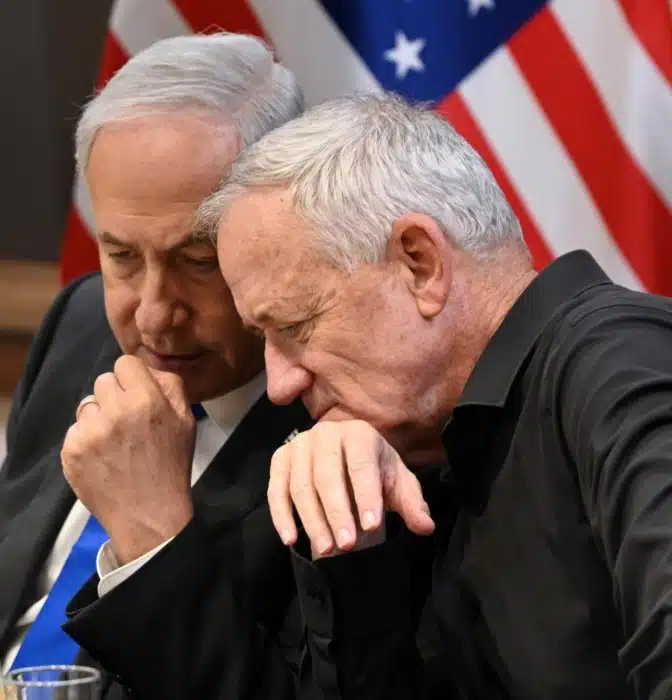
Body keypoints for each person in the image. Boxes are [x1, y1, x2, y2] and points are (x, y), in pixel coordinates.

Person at [200, 92, 672, 700]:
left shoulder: (623, 363)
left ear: (420, 265)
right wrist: (357, 554)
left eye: (295, 325)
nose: (282, 383)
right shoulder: (421, 451)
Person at [0, 33, 317, 700]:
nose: (151, 317)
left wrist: (151, 540)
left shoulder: (341, 418)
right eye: (120, 256)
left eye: (198, 262)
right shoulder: (80, 323)